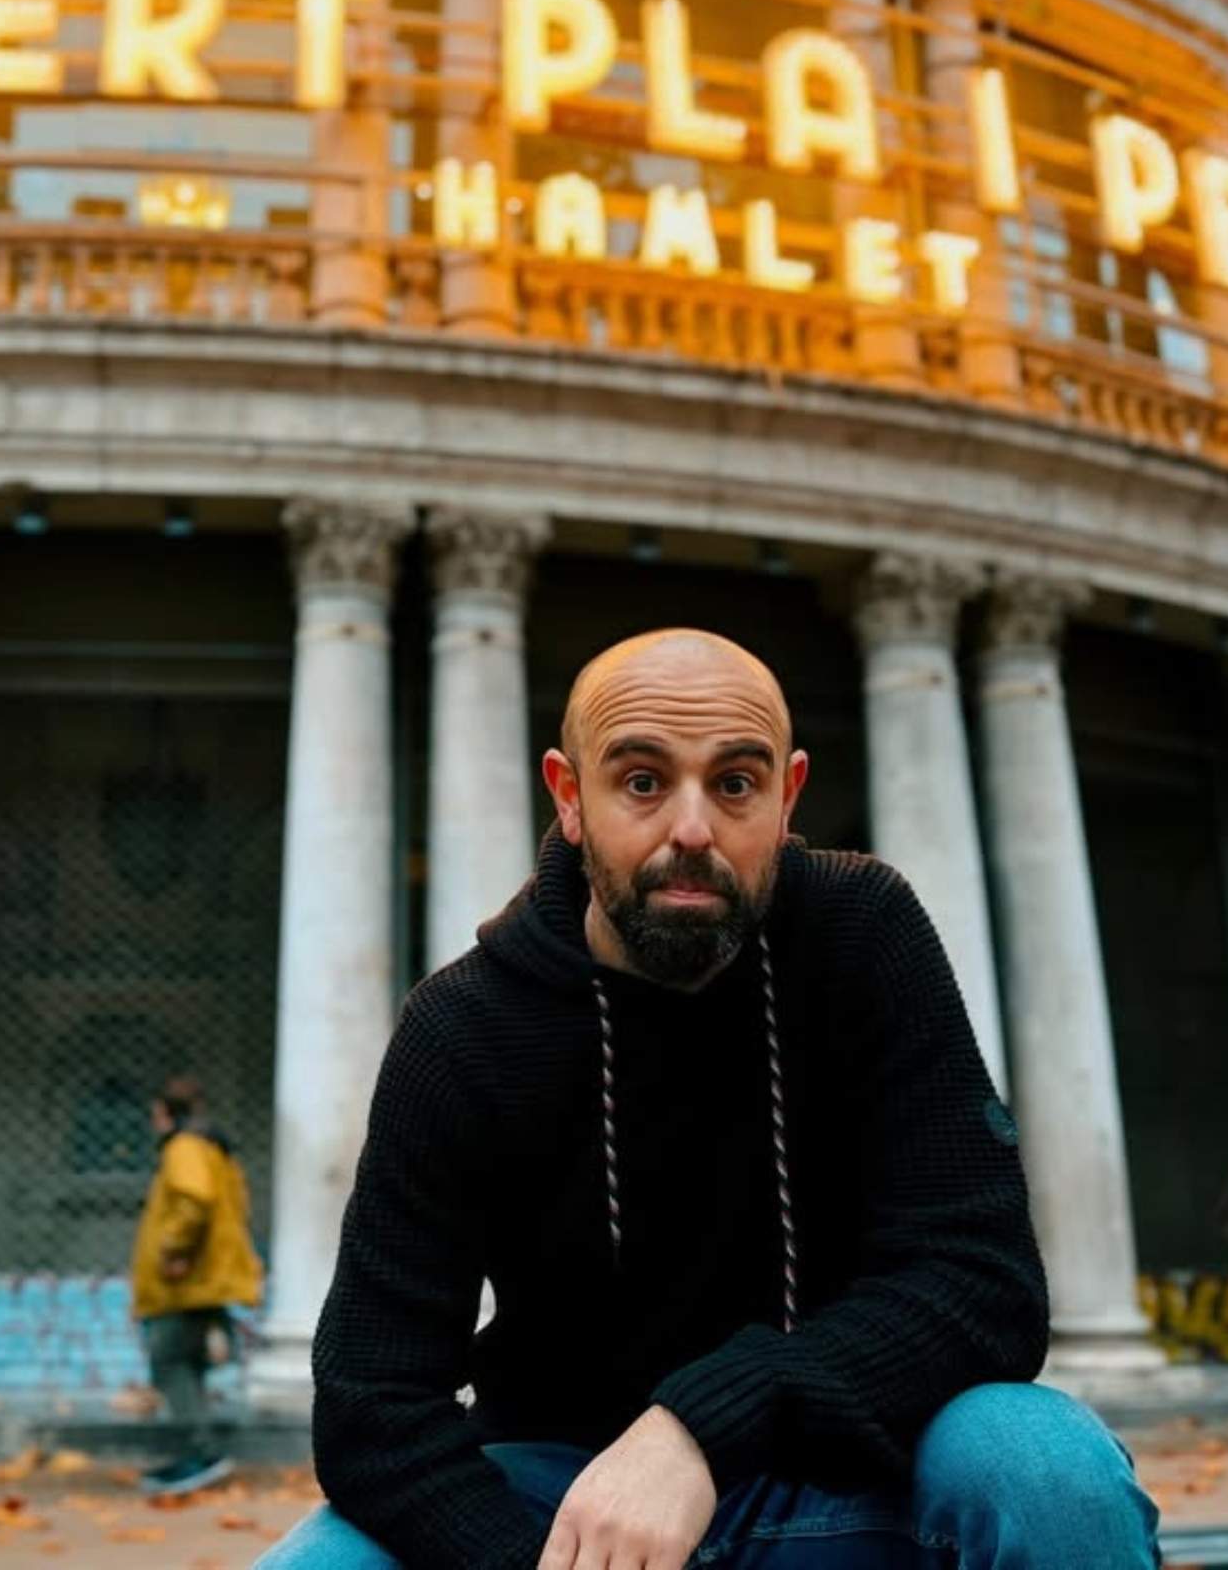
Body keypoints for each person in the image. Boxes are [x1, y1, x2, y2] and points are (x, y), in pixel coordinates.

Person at [260, 628, 1159, 1569]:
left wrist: (695, 1426)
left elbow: (985, 1283)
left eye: (735, 784)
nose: (692, 830)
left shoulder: (863, 934)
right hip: (565, 1506)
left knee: (1042, 1462)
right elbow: (371, 1400)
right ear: (570, 796)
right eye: (642, 782)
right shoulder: (463, 1028)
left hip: (854, 1477)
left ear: (786, 798)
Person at [131, 1073, 263, 1495]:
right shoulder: (214, 1149)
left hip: (186, 1282)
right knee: (187, 1363)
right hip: (204, 1279)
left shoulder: (184, 1148)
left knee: (167, 1361)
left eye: (155, 1114)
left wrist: (173, 1251)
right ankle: (198, 1454)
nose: (154, 1123)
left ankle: (200, 1456)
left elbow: (193, 1201)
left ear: (166, 1114)